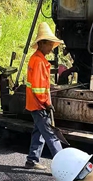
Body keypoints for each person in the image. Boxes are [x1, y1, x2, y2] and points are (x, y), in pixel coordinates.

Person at [25, 22, 64, 170]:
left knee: (38, 132)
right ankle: (64, 166)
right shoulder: (39, 62)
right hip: (38, 104)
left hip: (34, 103)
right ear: (42, 44)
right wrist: (46, 103)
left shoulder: (37, 59)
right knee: (51, 135)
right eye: (50, 45)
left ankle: (31, 160)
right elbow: (38, 88)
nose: (51, 48)